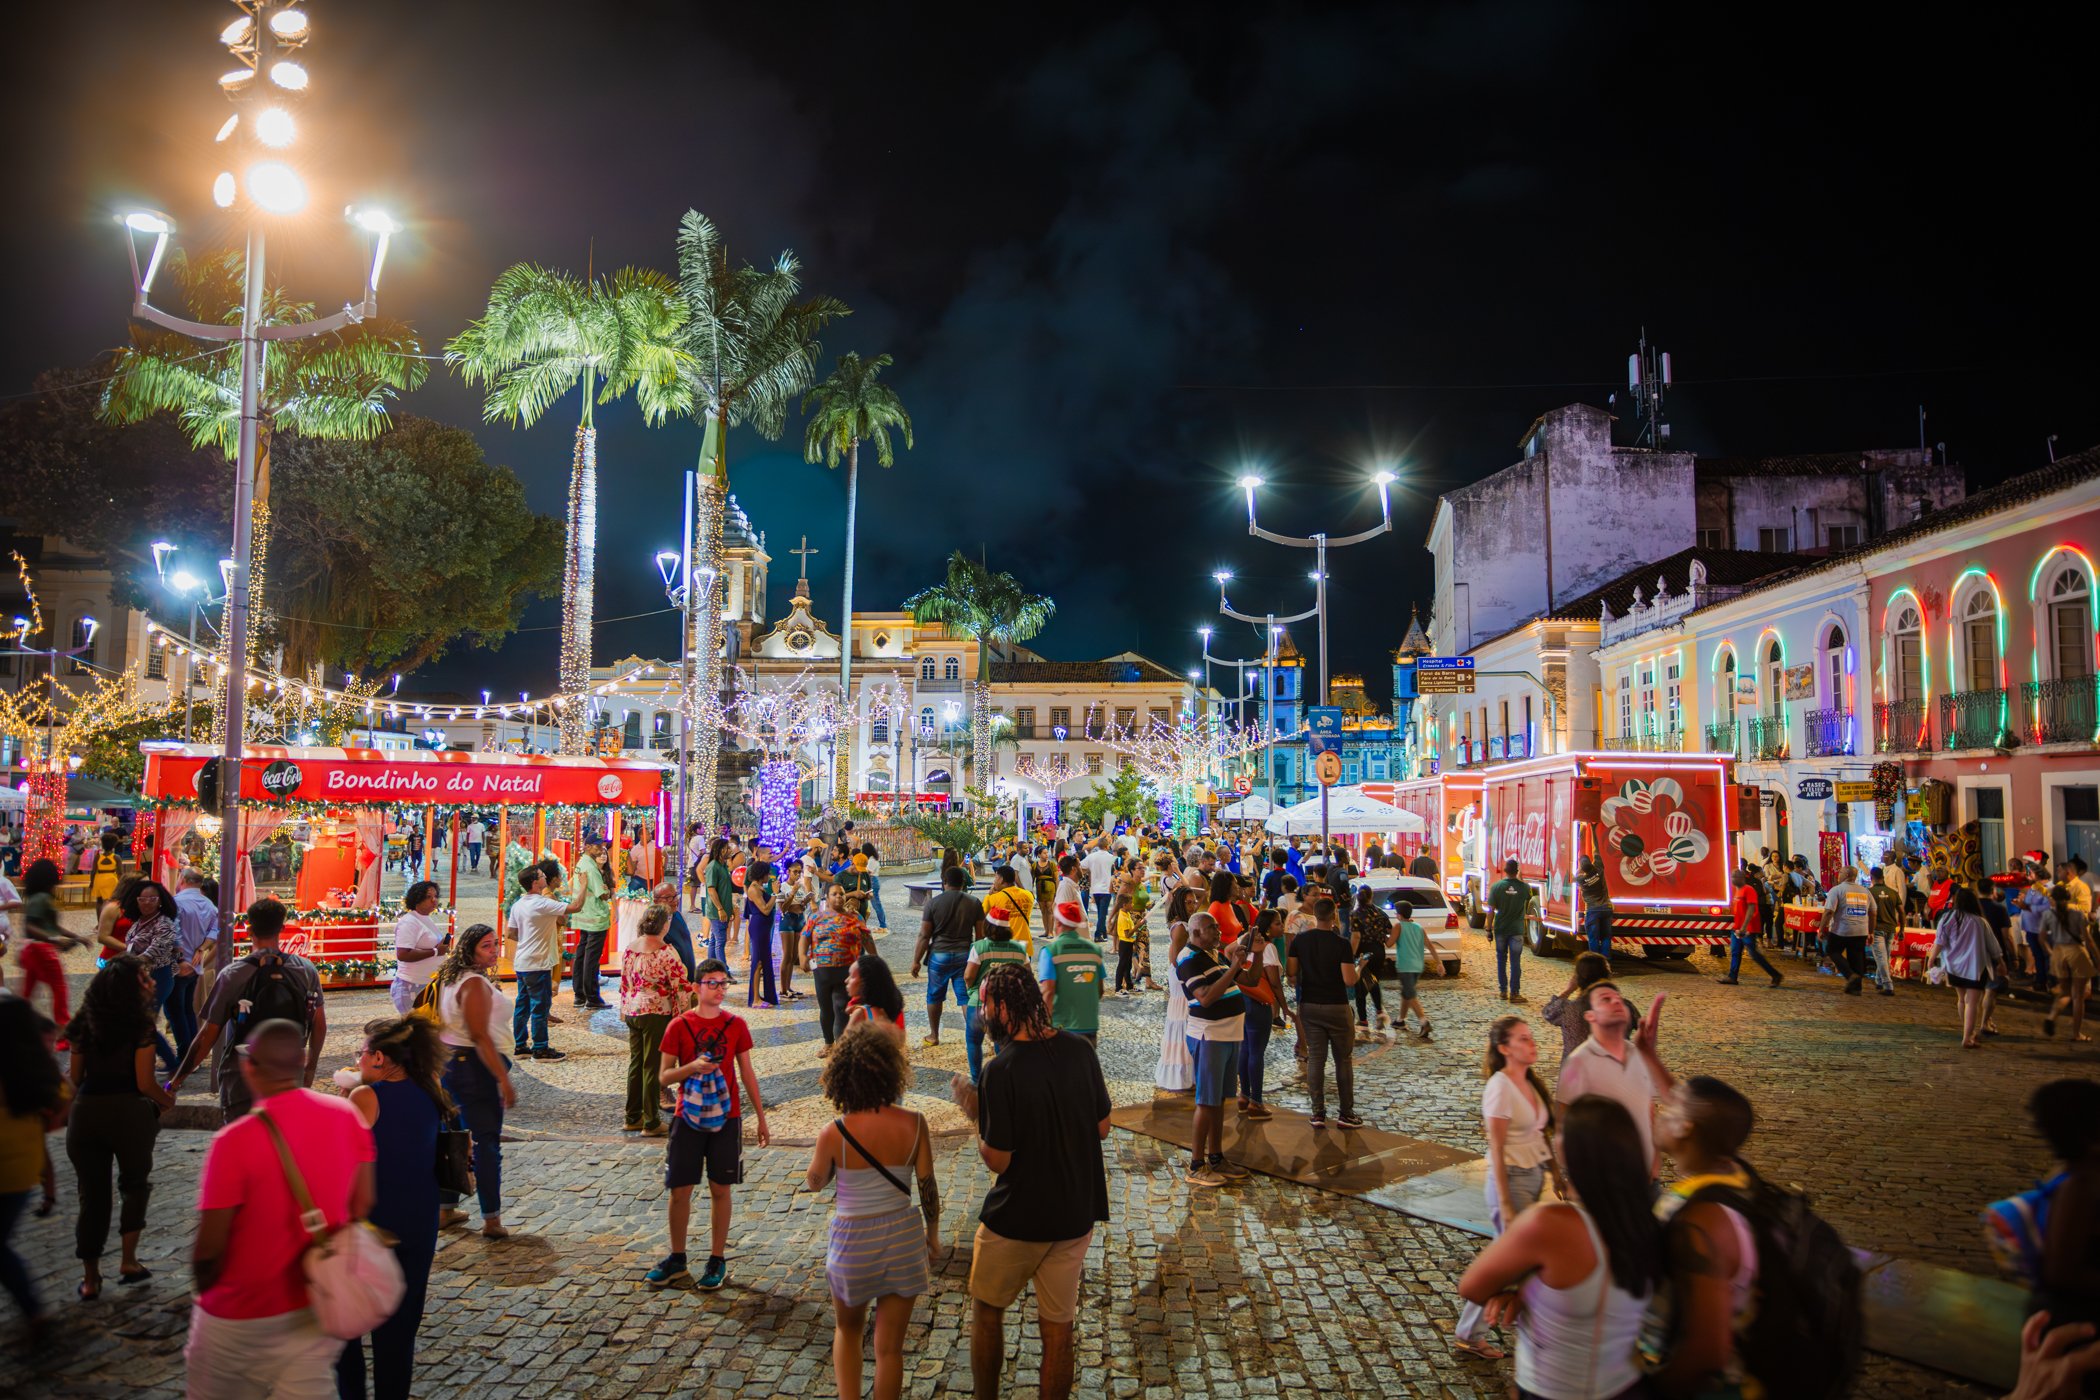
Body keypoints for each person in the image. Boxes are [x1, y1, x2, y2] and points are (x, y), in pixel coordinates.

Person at [183, 1019, 374, 1398]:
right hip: (312, 1305)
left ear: (250, 1068)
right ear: (303, 1062)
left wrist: (205, 1290)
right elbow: (363, 1202)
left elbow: (210, 1246)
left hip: (239, 1312)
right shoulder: (346, 1117)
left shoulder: (234, 1140)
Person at [949, 964, 1112, 1400]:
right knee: (1058, 1331)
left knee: (986, 1311)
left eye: (985, 1004)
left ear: (1003, 1007)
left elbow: (999, 1161)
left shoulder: (1001, 1070)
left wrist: (975, 1116)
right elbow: (1103, 1127)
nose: (983, 1013)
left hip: (1018, 1218)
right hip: (1075, 1213)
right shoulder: (1079, 1050)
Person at [1456, 1095, 1664, 1400]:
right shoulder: (1650, 1225)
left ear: (1571, 1151)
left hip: (1555, 1387)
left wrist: (1523, 1289)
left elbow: (1472, 1287)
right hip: (1625, 1385)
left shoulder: (1550, 1224)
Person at [805, 1022, 939, 1400]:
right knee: (890, 1349)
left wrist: (819, 1169)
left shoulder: (834, 1132)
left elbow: (815, 1182)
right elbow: (928, 1188)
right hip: (903, 1239)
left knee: (847, 1332)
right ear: (891, 1071)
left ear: (842, 1074)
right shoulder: (914, 1124)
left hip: (852, 1242)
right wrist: (933, 1234)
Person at [335, 1016, 446, 1400]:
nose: (359, 1059)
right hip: (418, 1219)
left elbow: (341, 1160)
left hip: (372, 1221)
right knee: (398, 1331)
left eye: (362, 1053)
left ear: (380, 1058)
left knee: (345, 1324)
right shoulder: (431, 1092)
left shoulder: (366, 1098)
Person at [647, 958, 770, 1292]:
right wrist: (692, 1067)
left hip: (726, 1118)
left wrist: (760, 1117)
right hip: (687, 1117)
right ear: (697, 988)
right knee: (680, 1189)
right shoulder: (678, 1026)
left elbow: (747, 1073)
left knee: (720, 1188)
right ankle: (677, 1257)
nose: (719, 989)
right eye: (712, 983)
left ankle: (717, 1258)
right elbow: (664, 1076)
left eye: (723, 983)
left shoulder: (736, 1025)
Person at [1644, 1074, 1768, 1397]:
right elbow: (1710, 1113)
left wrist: (1649, 1390)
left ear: (1686, 1127)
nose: (1660, 1111)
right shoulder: (1737, 1177)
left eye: (1669, 1108)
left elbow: (1706, 1351)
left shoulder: (1700, 1221)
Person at [65, 956, 174, 1300]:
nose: (152, 982)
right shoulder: (141, 1026)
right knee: (135, 1185)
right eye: (145, 978)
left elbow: (76, 1077)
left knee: (91, 1196)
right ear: (131, 987)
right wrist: (167, 1100)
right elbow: (144, 1082)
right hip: (128, 1112)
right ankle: (128, 1261)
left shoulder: (84, 1022)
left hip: (86, 1114)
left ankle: (91, 1279)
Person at [1452, 1016, 1560, 1362]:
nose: (1532, 1043)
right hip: (1510, 1181)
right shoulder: (1499, 1087)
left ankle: (1479, 1331)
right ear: (1504, 1049)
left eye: (1531, 1037)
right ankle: (1473, 1333)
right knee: (1508, 1264)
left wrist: (1556, 1173)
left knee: (1515, 1263)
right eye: (1523, 1039)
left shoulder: (1529, 1082)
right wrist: (1505, 1203)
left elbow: (1539, 1134)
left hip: (1531, 1178)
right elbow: (1497, 1150)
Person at [170, 898, 328, 1124]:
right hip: (288, 1074)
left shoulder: (232, 975)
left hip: (241, 1076)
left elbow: (207, 1036)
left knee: (243, 1144)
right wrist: (310, 1068)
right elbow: (319, 1024)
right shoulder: (306, 970)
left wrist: (174, 1082)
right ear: (282, 928)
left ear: (249, 929)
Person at [431, 924, 515, 1238]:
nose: (494, 951)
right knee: (485, 1142)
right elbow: (479, 1035)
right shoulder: (474, 984)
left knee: (453, 1139)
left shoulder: (452, 978)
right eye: (486, 946)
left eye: (495, 944)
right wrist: (502, 1078)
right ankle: (491, 1218)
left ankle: (446, 1209)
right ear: (470, 950)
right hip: (473, 1069)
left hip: (452, 1064)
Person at [1554, 983, 1672, 1181]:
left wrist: (1655, 1161)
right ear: (1591, 1016)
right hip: (1603, 1179)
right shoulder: (1577, 1063)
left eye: (1618, 998)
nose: (1616, 1001)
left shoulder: (1638, 1054)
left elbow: (1649, 1108)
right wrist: (1573, 1177)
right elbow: (1562, 1124)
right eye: (1605, 1000)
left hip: (1643, 1176)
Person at [0, 996, 64, 1344]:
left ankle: (33, 1309)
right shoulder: (39, 1068)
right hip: (23, 1168)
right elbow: (59, 1111)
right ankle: (33, 1311)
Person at [1177, 911, 1256, 1183]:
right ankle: (1197, 1165)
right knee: (1206, 1100)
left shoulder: (1214, 953)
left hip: (1229, 1034)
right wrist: (1234, 968)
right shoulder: (1188, 960)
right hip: (1209, 1035)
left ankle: (1216, 1157)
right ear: (1196, 933)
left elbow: (1249, 981)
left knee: (1219, 1100)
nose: (1219, 932)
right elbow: (1206, 997)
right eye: (1212, 928)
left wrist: (1256, 955)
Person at [1286, 896, 1363, 1131]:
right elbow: (1349, 980)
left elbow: (1291, 975)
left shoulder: (1300, 941)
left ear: (1315, 915)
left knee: (1316, 1059)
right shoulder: (1341, 944)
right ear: (1334, 915)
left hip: (1309, 1005)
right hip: (1336, 1006)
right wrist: (1361, 967)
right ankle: (1346, 1113)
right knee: (1343, 1060)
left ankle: (1318, 1112)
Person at [622, 904, 692, 1135]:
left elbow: (625, 982)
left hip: (633, 1010)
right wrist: (683, 1016)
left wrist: (624, 1009)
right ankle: (651, 1121)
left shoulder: (631, 949)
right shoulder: (665, 952)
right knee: (652, 1065)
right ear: (664, 925)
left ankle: (633, 1116)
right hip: (655, 1012)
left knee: (636, 1063)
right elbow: (680, 986)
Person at [505, 864, 584, 1062]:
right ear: (534, 883)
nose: (545, 878)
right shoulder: (541, 903)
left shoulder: (518, 904)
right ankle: (540, 1048)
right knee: (540, 1006)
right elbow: (576, 907)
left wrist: (531, 933)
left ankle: (521, 1046)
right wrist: (583, 886)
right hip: (537, 962)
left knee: (522, 1005)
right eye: (541, 876)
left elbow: (511, 934)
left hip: (522, 962)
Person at [912, 864, 984, 1048]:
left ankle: (934, 1035)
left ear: (944, 883)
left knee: (934, 996)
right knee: (966, 997)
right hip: (965, 955)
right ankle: (973, 1036)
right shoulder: (974, 902)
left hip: (939, 955)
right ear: (963, 883)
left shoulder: (933, 904)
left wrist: (916, 961)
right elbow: (981, 935)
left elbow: (924, 935)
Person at [13, 859, 85, 1035]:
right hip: (42, 950)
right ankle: (63, 1030)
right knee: (59, 988)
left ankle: (16, 1025)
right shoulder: (42, 898)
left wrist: (76, 936)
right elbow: (30, 926)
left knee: (28, 990)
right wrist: (55, 940)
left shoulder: (37, 897)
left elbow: (49, 925)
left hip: (33, 949)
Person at [1935, 884, 2009, 1050]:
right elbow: (1994, 947)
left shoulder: (1947, 918)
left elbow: (1939, 941)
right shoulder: (1979, 922)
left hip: (1954, 967)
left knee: (1962, 1000)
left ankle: (1967, 1032)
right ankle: (1968, 1036)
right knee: (1972, 1002)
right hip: (1975, 967)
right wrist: (2001, 963)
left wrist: (1933, 959)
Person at [1035, 899, 1105, 1045]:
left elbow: (1048, 991)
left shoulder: (1051, 951)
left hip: (1061, 1027)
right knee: (1084, 1066)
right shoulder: (1095, 950)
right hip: (1089, 1025)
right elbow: (1099, 990)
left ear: (1058, 922)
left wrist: (1043, 1025)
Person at [807, 885, 866, 1051]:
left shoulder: (855, 917)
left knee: (841, 1009)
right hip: (822, 972)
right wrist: (804, 957)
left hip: (846, 971)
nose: (839, 897)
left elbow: (867, 938)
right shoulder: (817, 917)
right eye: (834, 894)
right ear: (827, 897)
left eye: (841, 894)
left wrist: (874, 962)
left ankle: (841, 1046)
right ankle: (828, 1043)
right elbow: (805, 937)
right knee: (825, 1009)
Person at [1154, 884, 1199, 1093]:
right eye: (1188, 902)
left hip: (1185, 974)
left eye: (1193, 902)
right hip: (1182, 977)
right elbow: (1175, 958)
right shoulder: (1181, 926)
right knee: (1183, 1019)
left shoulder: (1186, 923)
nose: (1192, 905)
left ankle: (1189, 1071)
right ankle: (1184, 1072)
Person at [169, 866, 217, 1062]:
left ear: (183, 879)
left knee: (176, 1011)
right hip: (195, 965)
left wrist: (181, 959)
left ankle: (185, 1054)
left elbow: (174, 933)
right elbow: (216, 930)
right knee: (187, 1009)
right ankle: (192, 1051)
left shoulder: (177, 902)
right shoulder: (209, 905)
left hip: (179, 965)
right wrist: (202, 948)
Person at [2042, 885, 2100, 1042]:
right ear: (2068, 898)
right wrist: (2098, 959)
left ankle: (2052, 1016)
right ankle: (2076, 1033)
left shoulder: (2048, 915)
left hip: (2059, 952)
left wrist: (2051, 953)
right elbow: (2088, 940)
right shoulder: (2077, 914)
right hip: (2076, 952)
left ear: (2052, 899)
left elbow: (2042, 938)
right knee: (2078, 996)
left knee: (2065, 992)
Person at [565, 837, 614, 1010]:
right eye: (597, 846)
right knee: (591, 959)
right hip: (595, 918)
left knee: (582, 955)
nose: (601, 849)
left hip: (584, 916)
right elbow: (603, 894)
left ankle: (579, 995)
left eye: (602, 846)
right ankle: (592, 997)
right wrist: (607, 890)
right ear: (587, 847)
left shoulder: (582, 863)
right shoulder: (591, 868)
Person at [389, 881, 446, 1018]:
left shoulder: (425, 919)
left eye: (435, 896)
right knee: (417, 1032)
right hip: (412, 986)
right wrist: (436, 951)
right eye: (428, 897)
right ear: (417, 899)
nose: (434, 900)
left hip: (426, 984)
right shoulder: (409, 922)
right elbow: (403, 954)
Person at [1718, 868, 1783, 988]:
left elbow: (1751, 909)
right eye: (1732, 877)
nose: (1732, 879)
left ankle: (1775, 975)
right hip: (1738, 928)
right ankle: (1732, 976)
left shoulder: (1748, 890)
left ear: (1742, 878)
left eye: (1735, 876)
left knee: (1754, 954)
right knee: (1735, 952)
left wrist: (1744, 927)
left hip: (1748, 928)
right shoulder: (1738, 891)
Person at [1820, 864, 1874, 995]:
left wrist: (1822, 928)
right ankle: (1856, 988)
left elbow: (1828, 912)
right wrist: (1870, 931)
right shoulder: (1865, 891)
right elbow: (1873, 912)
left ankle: (1850, 975)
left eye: (1841, 872)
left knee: (1832, 951)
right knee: (1856, 957)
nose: (1839, 875)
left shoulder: (1837, 890)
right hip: (1861, 930)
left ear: (1847, 875)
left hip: (1842, 929)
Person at [1486, 858, 1532, 1002]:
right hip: (1516, 930)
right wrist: (1521, 879)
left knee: (1501, 960)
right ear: (1517, 871)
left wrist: (1488, 929)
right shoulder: (1524, 888)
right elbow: (1527, 896)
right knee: (1515, 962)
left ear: (1505, 871)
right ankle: (1515, 993)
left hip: (1500, 929)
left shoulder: (1496, 887)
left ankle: (1503, 991)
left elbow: (1491, 910)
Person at [1389, 899, 1435, 1041]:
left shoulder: (1398, 926)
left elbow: (1389, 943)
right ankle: (1400, 1020)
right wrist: (1439, 963)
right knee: (1406, 993)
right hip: (1417, 966)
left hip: (1405, 965)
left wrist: (1384, 935)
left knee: (1410, 993)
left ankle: (1424, 1022)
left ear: (1399, 915)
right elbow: (1430, 945)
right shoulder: (1418, 927)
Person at [1350, 885, 1392, 1036]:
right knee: (1374, 981)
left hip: (1363, 952)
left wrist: (1351, 955)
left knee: (1360, 985)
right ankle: (1380, 1012)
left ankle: (1363, 1020)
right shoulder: (1380, 912)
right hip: (1379, 951)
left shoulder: (1356, 914)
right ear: (1371, 896)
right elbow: (1390, 931)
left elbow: (1356, 937)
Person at [743, 857, 780, 1009]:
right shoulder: (753, 889)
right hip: (759, 927)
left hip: (764, 928)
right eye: (767, 874)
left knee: (765, 961)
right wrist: (775, 895)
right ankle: (755, 999)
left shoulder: (759, 887)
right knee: (757, 963)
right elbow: (765, 909)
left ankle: (767, 995)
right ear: (761, 874)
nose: (768, 876)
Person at [846, 955, 908, 1039]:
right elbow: (901, 1040)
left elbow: (845, 1046)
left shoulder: (860, 1013)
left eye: (852, 976)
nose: (846, 980)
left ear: (865, 982)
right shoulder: (895, 1005)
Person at [984, 864, 1035, 958]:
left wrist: (990, 895)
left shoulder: (993, 898)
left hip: (1004, 947)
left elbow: (983, 917)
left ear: (1001, 879)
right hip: (1025, 947)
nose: (994, 881)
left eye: (996, 877)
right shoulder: (1028, 895)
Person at [1866, 866, 1904, 996]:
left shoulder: (1869, 892)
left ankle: (1888, 985)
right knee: (1885, 956)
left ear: (1871, 877)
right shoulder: (1893, 892)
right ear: (1883, 877)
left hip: (1877, 929)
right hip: (1891, 929)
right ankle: (1879, 980)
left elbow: (1867, 912)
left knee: (1881, 957)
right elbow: (1901, 912)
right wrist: (1902, 929)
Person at [700, 837, 736, 967]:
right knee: (720, 941)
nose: (730, 850)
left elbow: (725, 889)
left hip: (723, 909)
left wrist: (729, 908)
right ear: (720, 850)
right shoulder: (713, 866)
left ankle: (711, 968)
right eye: (727, 848)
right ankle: (723, 970)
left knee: (715, 940)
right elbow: (711, 889)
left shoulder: (722, 865)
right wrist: (720, 908)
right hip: (717, 911)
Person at [777, 858, 810, 1001]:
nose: (797, 874)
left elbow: (801, 905)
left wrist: (805, 902)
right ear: (788, 872)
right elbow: (783, 908)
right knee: (787, 956)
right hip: (788, 921)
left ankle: (789, 987)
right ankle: (783, 990)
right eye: (795, 871)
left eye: (799, 872)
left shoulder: (801, 886)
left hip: (800, 919)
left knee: (794, 957)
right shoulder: (782, 887)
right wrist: (792, 892)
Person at [653, 880, 698, 979]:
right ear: (656, 901)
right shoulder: (655, 923)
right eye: (668, 898)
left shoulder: (677, 914)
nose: (674, 901)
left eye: (675, 896)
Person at [1081, 840, 1118, 942]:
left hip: (1095, 888)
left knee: (1101, 913)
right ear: (1107, 846)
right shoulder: (1111, 857)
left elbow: (1081, 865)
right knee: (1102, 913)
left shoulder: (1092, 856)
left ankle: (1104, 933)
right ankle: (1098, 934)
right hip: (1106, 888)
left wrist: (1089, 870)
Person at [88, 831, 124, 914]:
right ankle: (108, 920)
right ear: (114, 845)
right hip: (112, 879)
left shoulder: (98, 856)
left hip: (99, 879)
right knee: (112, 901)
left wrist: (91, 882)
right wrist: (121, 884)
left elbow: (93, 871)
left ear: (103, 844)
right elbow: (120, 873)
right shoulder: (116, 857)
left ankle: (99, 922)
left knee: (99, 902)